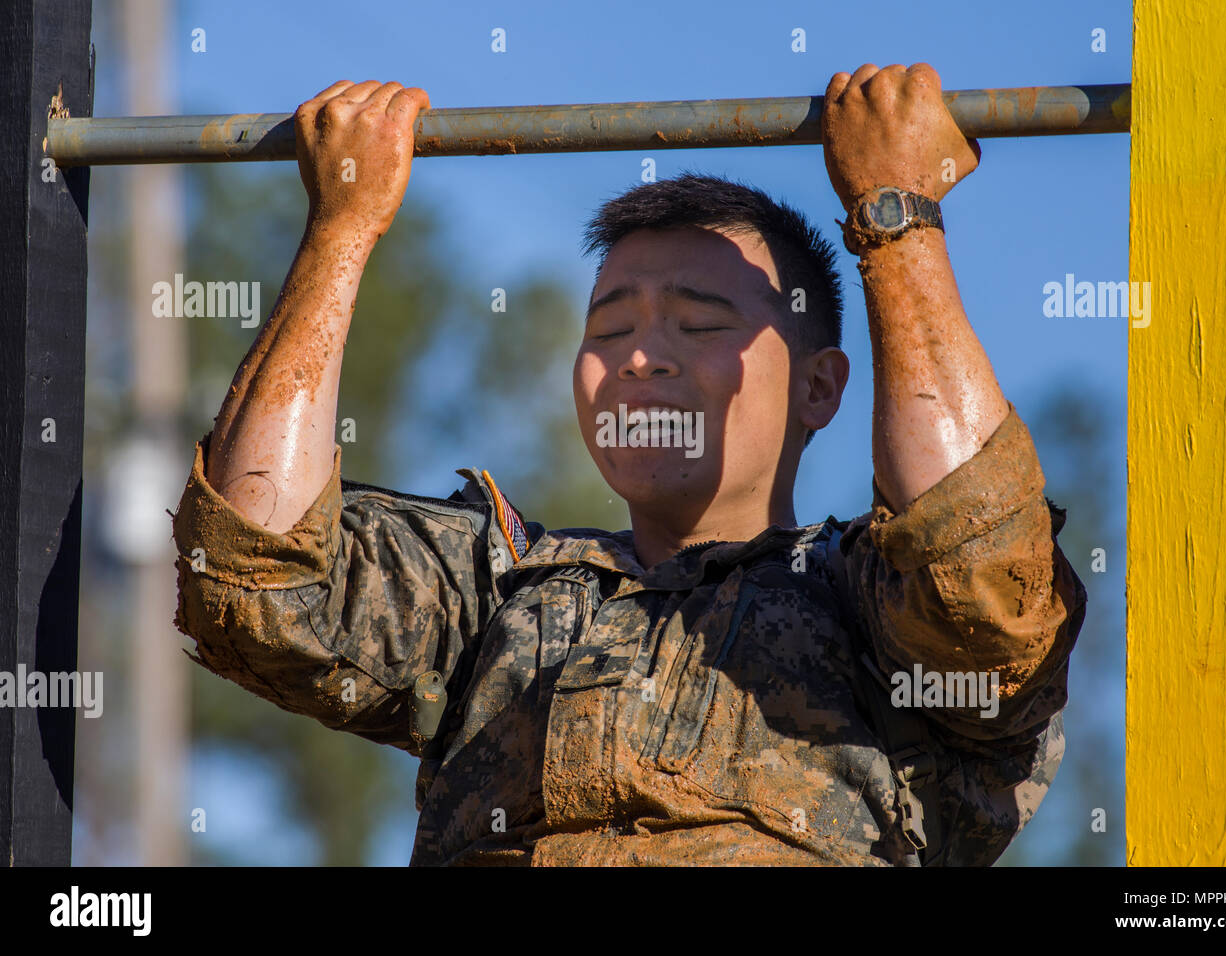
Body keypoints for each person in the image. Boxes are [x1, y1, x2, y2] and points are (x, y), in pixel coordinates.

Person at [172, 64, 1087, 866]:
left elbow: (980, 579)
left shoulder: (864, 604)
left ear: (820, 390)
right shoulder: (498, 593)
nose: (640, 358)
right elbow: (254, 571)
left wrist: (898, 221)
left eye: (697, 326)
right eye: (609, 330)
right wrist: (341, 228)